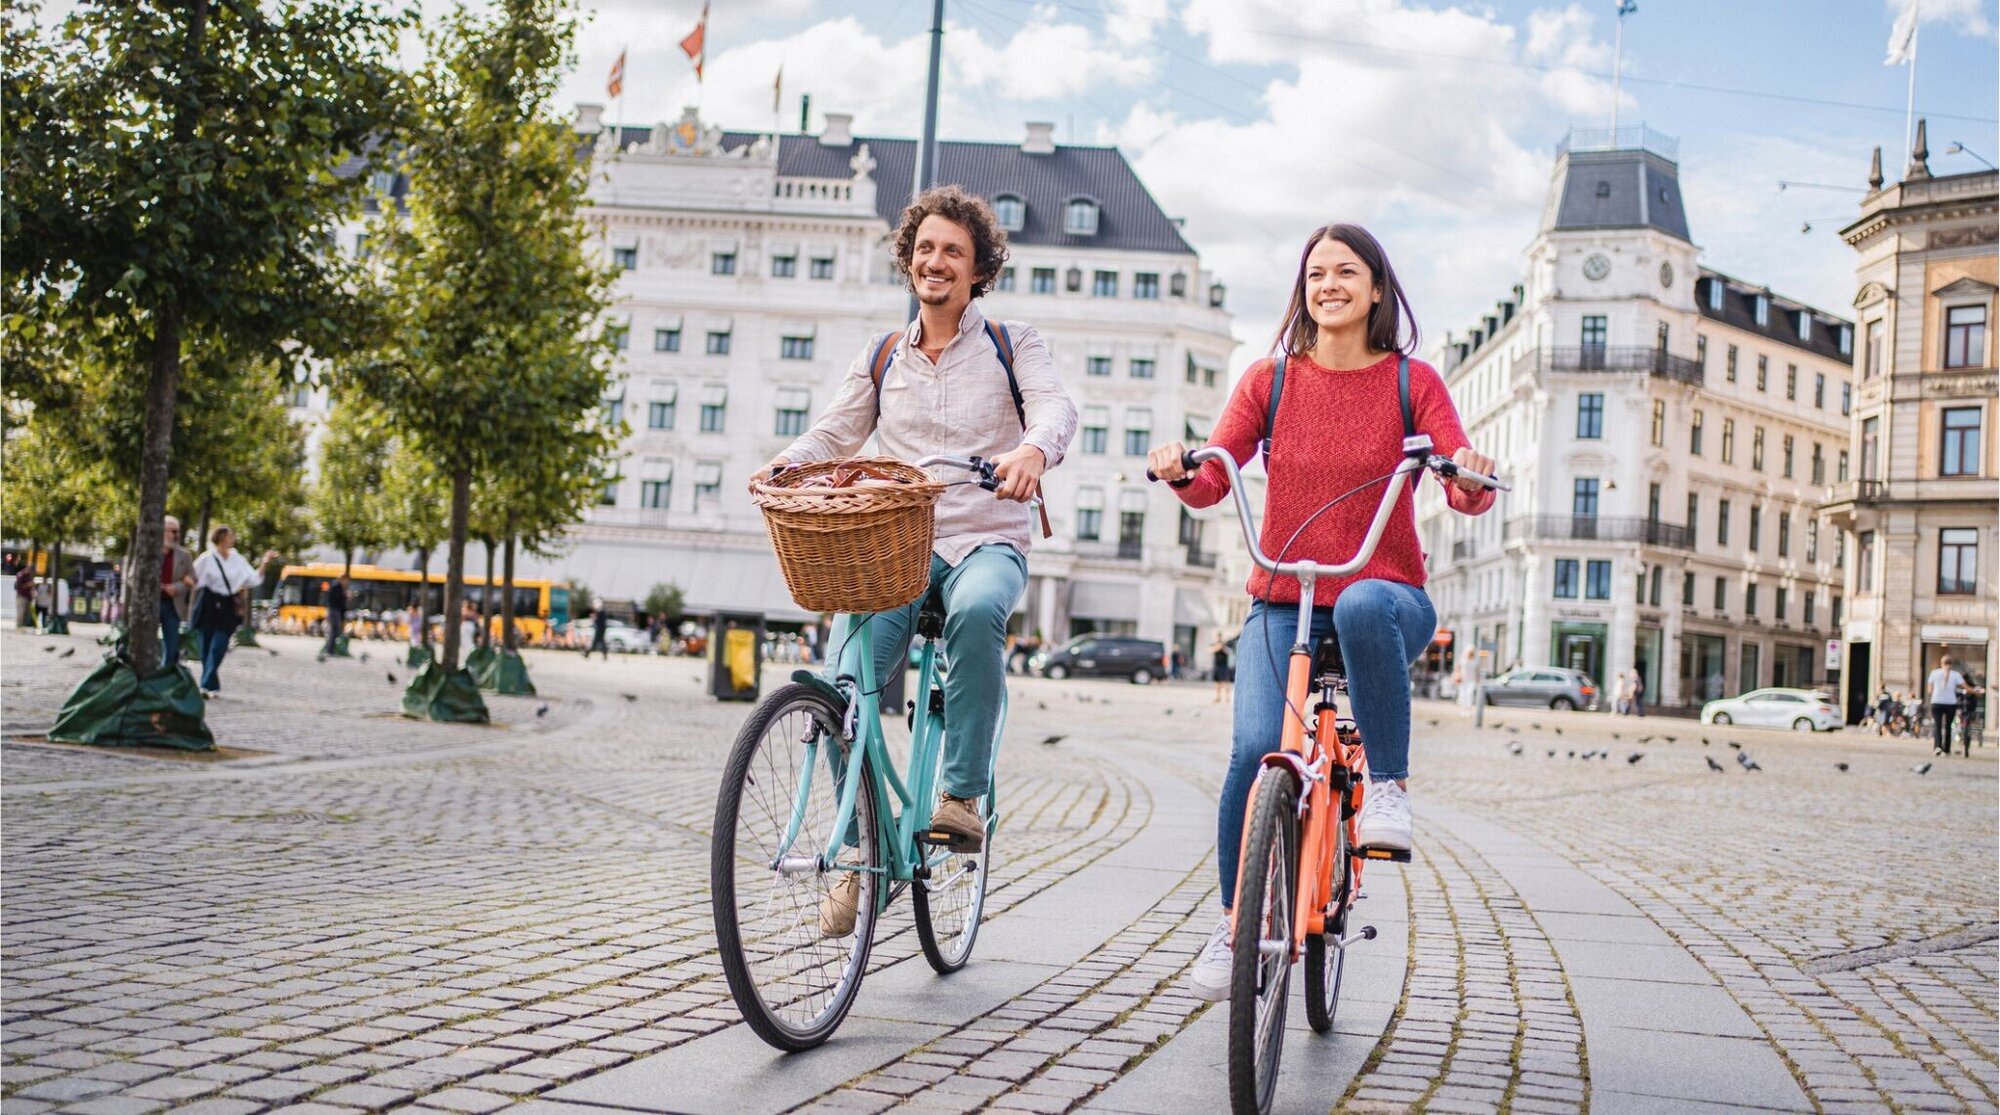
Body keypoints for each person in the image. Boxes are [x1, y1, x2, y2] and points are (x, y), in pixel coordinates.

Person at [1147, 223, 1495, 1001]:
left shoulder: (1413, 381)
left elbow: (1460, 482)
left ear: (1377, 289)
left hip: (1388, 593)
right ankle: (1238, 920)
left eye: (1346, 271)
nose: (1328, 283)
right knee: (1251, 753)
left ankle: (1389, 792)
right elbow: (1215, 474)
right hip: (1284, 599)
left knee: (1368, 600)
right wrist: (1181, 466)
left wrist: (1469, 471)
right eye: (1315, 272)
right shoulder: (1269, 382)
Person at [752, 184, 1077, 938]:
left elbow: (1055, 406)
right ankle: (863, 852)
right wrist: (785, 465)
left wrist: (1032, 450)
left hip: (987, 535)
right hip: (898, 543)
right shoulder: (882, 355)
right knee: (843, 684)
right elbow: (834, 433)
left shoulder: (1013, 342)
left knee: (975, 610)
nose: (937, 261)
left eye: (953, 252)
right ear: (909, 261)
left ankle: (959, 798)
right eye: (926, 248)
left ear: (977, 269)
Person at [190, 526, 278, 697]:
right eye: (230, 535)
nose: (233, 538)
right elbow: (194, 579)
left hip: (228, 603)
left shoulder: (237, 558)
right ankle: (209, 684)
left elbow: (252, 578)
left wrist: (264, 564)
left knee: (220, 645)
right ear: (222, 538)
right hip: (209, 601)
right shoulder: (207, 558)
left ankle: (206, 683)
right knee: (206, 646)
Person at [1927, 656, 1969, 757]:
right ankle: (1946, 749)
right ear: (1951, 664)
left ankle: (1937, 747)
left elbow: (1929, 690)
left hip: (1936, 702)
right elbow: (1965, 687)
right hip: (1950, 703)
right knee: (1948, 726)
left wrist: (1937, 693)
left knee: (1937, 725)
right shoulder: (1955, 674)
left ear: (1941, 663)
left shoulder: (1934, 673)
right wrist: (1976, 692)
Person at [323, 575, 349, 658]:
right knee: (335, 631)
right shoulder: (337, 587)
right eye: (346, 580)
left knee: (335, 631)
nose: (346, 582)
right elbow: (337, 600)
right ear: (342, 579)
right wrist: (345, 597)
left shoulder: (336, 586)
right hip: (335, 611)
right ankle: (330, 650)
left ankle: (331, 649)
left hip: (335, 611)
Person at [1210, 634, 1234, 704]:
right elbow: (1209, 650)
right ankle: (1218, 697)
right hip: (1217, 665)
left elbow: (1230, 652)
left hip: (1224, 666)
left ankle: (1227, 698)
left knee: (1226, 682)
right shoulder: (1214, 644)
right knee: (1217, 682)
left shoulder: (1226, 644)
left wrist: (1223, 647)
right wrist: (1217, 647)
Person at [14, 563, 34, 629]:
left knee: (26, 613)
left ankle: (23, 626)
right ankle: (18, 626)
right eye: (30, 569)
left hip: (27, 597)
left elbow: (31, 587)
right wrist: (28, 585)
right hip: (21, 596)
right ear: (26, 568)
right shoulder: (20, 574)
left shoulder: (29, 576)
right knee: (21, 612)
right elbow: (18, 587)